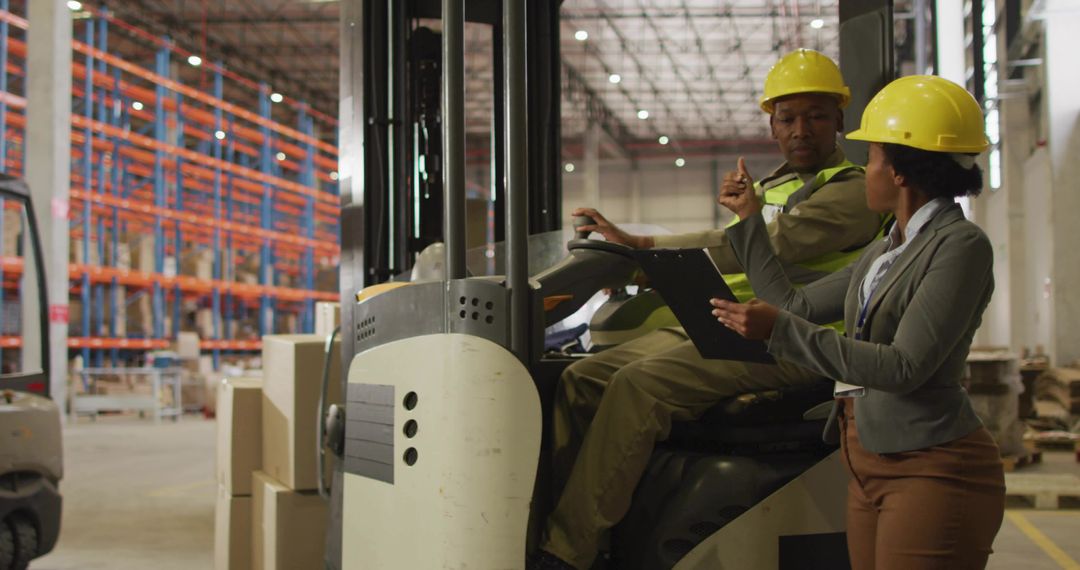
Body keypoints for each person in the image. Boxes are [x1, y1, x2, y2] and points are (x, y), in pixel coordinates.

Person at [529, 49, 885, 570]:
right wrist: (636, 263)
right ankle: (580, 526)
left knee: (638, 387)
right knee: (581, 378)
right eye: (788, 118)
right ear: (772, 126)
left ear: (839, 122)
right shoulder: (769, 188)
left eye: (817, 116)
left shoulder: (851, 191)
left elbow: (755, 245)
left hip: (793, 339)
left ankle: (565, 553)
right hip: (726, 327)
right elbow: (726, 257)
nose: (801, 129)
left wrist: (641, 244)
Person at [710, 75, 1005, 569]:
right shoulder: (887, 249)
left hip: (931, 467)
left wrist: (780, 332)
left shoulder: (960, 247)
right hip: (866, 461)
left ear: (900, 171)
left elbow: (904, 367)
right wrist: (748, 221)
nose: (862, 168)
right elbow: (794, 306)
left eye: (869, 158)